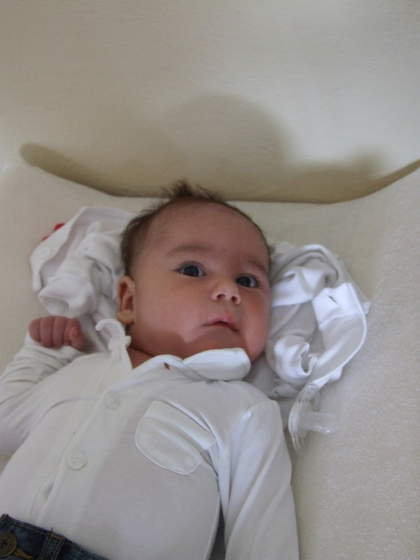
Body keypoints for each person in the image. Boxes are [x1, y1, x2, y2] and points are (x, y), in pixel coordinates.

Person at [0, 182, 299, 560]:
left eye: (248, 281)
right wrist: (45, 352)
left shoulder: (244, 409)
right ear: (128, 300)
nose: (228, 289)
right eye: (193, 269)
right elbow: (6, 424)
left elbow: (263, 535)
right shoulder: (82, 369)